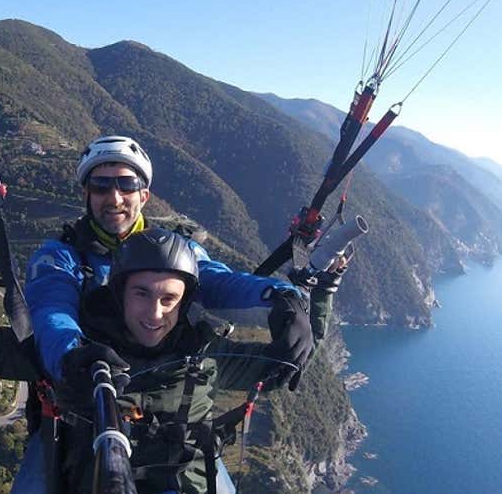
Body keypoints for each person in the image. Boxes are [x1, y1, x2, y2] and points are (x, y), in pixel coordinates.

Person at [0, 211, 346, 494]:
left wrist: (312, 304)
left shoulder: (203, 357)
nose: (154, 312)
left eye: (169, 299)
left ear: (185, 304)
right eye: (141, 294)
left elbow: (288, 362)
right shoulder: (75, 355)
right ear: (119, 294)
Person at [25, 136, 311, 386]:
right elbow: (52, 310)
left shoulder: (177, 251)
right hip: (93, 399)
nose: (114, 198)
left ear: (144, 196)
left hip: (170, 398)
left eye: (127, 185)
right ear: (86, 195)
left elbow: (217, 282)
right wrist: (71, 357)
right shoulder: (60, 257)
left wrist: (282, 299)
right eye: (101, 186)